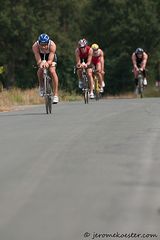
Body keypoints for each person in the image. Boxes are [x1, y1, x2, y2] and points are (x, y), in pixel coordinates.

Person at [32, 33, 59, 103]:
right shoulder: (35, 46)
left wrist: (48, 63)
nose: (43, 47)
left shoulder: (52, 45)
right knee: (39, 71)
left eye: (45, 45)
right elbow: (38, 58)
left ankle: (55, 95)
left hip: (50, 56)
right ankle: (41, 86)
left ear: (48, 42)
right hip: (41, 56)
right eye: (42, 45)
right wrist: (40, 63)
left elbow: (50, 59)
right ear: (39, 43)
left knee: (52, 71)